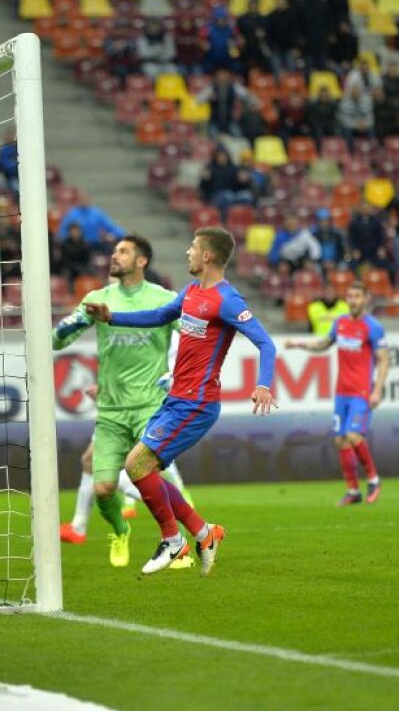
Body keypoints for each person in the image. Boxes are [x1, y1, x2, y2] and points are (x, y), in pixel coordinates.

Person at [84, 227, 277, 576]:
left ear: (207, 256)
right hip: (176, 399)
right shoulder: (190, 292)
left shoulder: (228, 300)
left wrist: (263, 384)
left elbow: (266, 343)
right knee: (148, 472)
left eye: (192, 247)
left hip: (198, 404)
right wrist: (112, 316)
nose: (187, 252)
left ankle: (173, 541)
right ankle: (205, 533)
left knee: (136, 465)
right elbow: (158, 316)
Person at [53, 235, 193, 569]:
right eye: (115, 251)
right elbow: (60, 340)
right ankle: (120, 531)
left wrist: (178, 374)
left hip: (150, 405)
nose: (114, 256)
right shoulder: (98, 297)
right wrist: (66, 327)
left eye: (123, 251)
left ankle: (178, 544)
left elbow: (194, 336)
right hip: (111, 410)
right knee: (103, 488)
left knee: (153, 473)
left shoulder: (163, 299)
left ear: (141, 261)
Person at [284, 282, 389, 506]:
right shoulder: (340, 323)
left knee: (353, 436)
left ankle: (373, 479)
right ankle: (353, 491)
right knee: (341, 440)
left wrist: (377, 390)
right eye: (350, 296)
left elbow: (383, 359)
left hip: (361, 392)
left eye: (357, 296)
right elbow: (323, 344)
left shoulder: (373, 327)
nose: (352, 300)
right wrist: (298, 344)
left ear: (366, 299)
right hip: (342, 392)